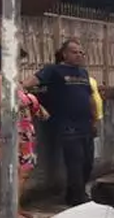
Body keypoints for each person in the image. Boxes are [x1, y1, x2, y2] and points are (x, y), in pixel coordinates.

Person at [23, 38, 96, 206]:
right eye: (74, 52)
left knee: (87, 163)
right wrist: (21, 87)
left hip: (86, 125)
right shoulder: (54, 70)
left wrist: (94, 120)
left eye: (81, 52)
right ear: (64, 54)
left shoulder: (83, 73)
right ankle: (78, 198)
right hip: (68, 126)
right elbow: (34, 80)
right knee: (75, 163)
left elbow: (90, 97)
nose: (79, 55)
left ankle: (74, 194)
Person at [0, 46, 47, 218]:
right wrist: (29, 101)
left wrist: (34, 105)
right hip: (12, 130)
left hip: (24, 130)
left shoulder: (14, 81)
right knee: (19, 171)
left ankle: (17, 208)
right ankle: (11, 211)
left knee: (23, 170)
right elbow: (3, 107)